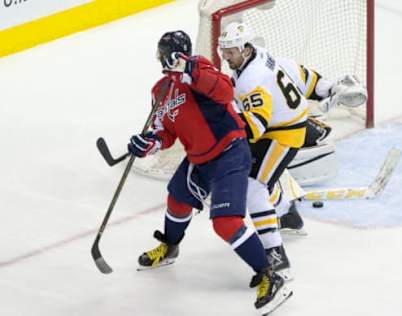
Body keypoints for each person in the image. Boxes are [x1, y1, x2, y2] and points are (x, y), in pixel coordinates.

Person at [127, 30, 292, 314]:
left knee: (225, 222)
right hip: (200, 158)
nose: (158, 58)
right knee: (177, 199)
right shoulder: (161, 90)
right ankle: (170, 247)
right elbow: (164, 132)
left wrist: (189, 70)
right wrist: (149, 143)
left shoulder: (200, 67)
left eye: (161, 53)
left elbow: (225, 91)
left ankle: (269, 273)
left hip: (229, 152)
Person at [218, 22, 367, 277]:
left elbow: (255, 128)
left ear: (245, 49)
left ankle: (275, 253)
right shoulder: (265, 57)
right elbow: (302, 75)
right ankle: (287, 215)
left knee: (254, 187)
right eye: (224, 50)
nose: (225, 56)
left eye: (230, 51)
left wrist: (220, 124)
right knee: (259, 175)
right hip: (284, 124)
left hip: (284, 134)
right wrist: (328, 88)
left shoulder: (250, 80)